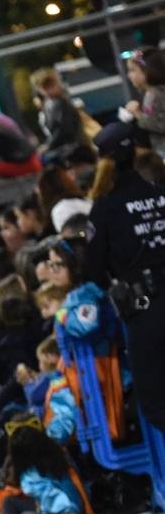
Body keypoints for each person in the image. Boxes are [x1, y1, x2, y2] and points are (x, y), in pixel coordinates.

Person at [84, 121, 165, 433]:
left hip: (145, 311)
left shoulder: (105, 208)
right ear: (135, 155)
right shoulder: (161, 194)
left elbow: (93, 270)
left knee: (157, 403)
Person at [0, 423, 88, 514]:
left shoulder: (49, 468)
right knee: (8, 502)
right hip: (46, 507)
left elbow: (62, 505)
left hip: (64, 513)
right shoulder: (54, 456)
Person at [31, 67, 95, 168]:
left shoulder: (59, 103)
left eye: (50, 85)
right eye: (45, 87)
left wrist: (48, 146)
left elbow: (63, 131)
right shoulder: (51, 103)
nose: (49, 89)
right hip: (70, 149)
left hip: (73, 150)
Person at [124, 46, 165, 157]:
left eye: (132, 70)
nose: (129, 75)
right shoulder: (157, 91)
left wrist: (137, 113)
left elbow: (157, 124)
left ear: (146, 71)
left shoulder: (151, 95)